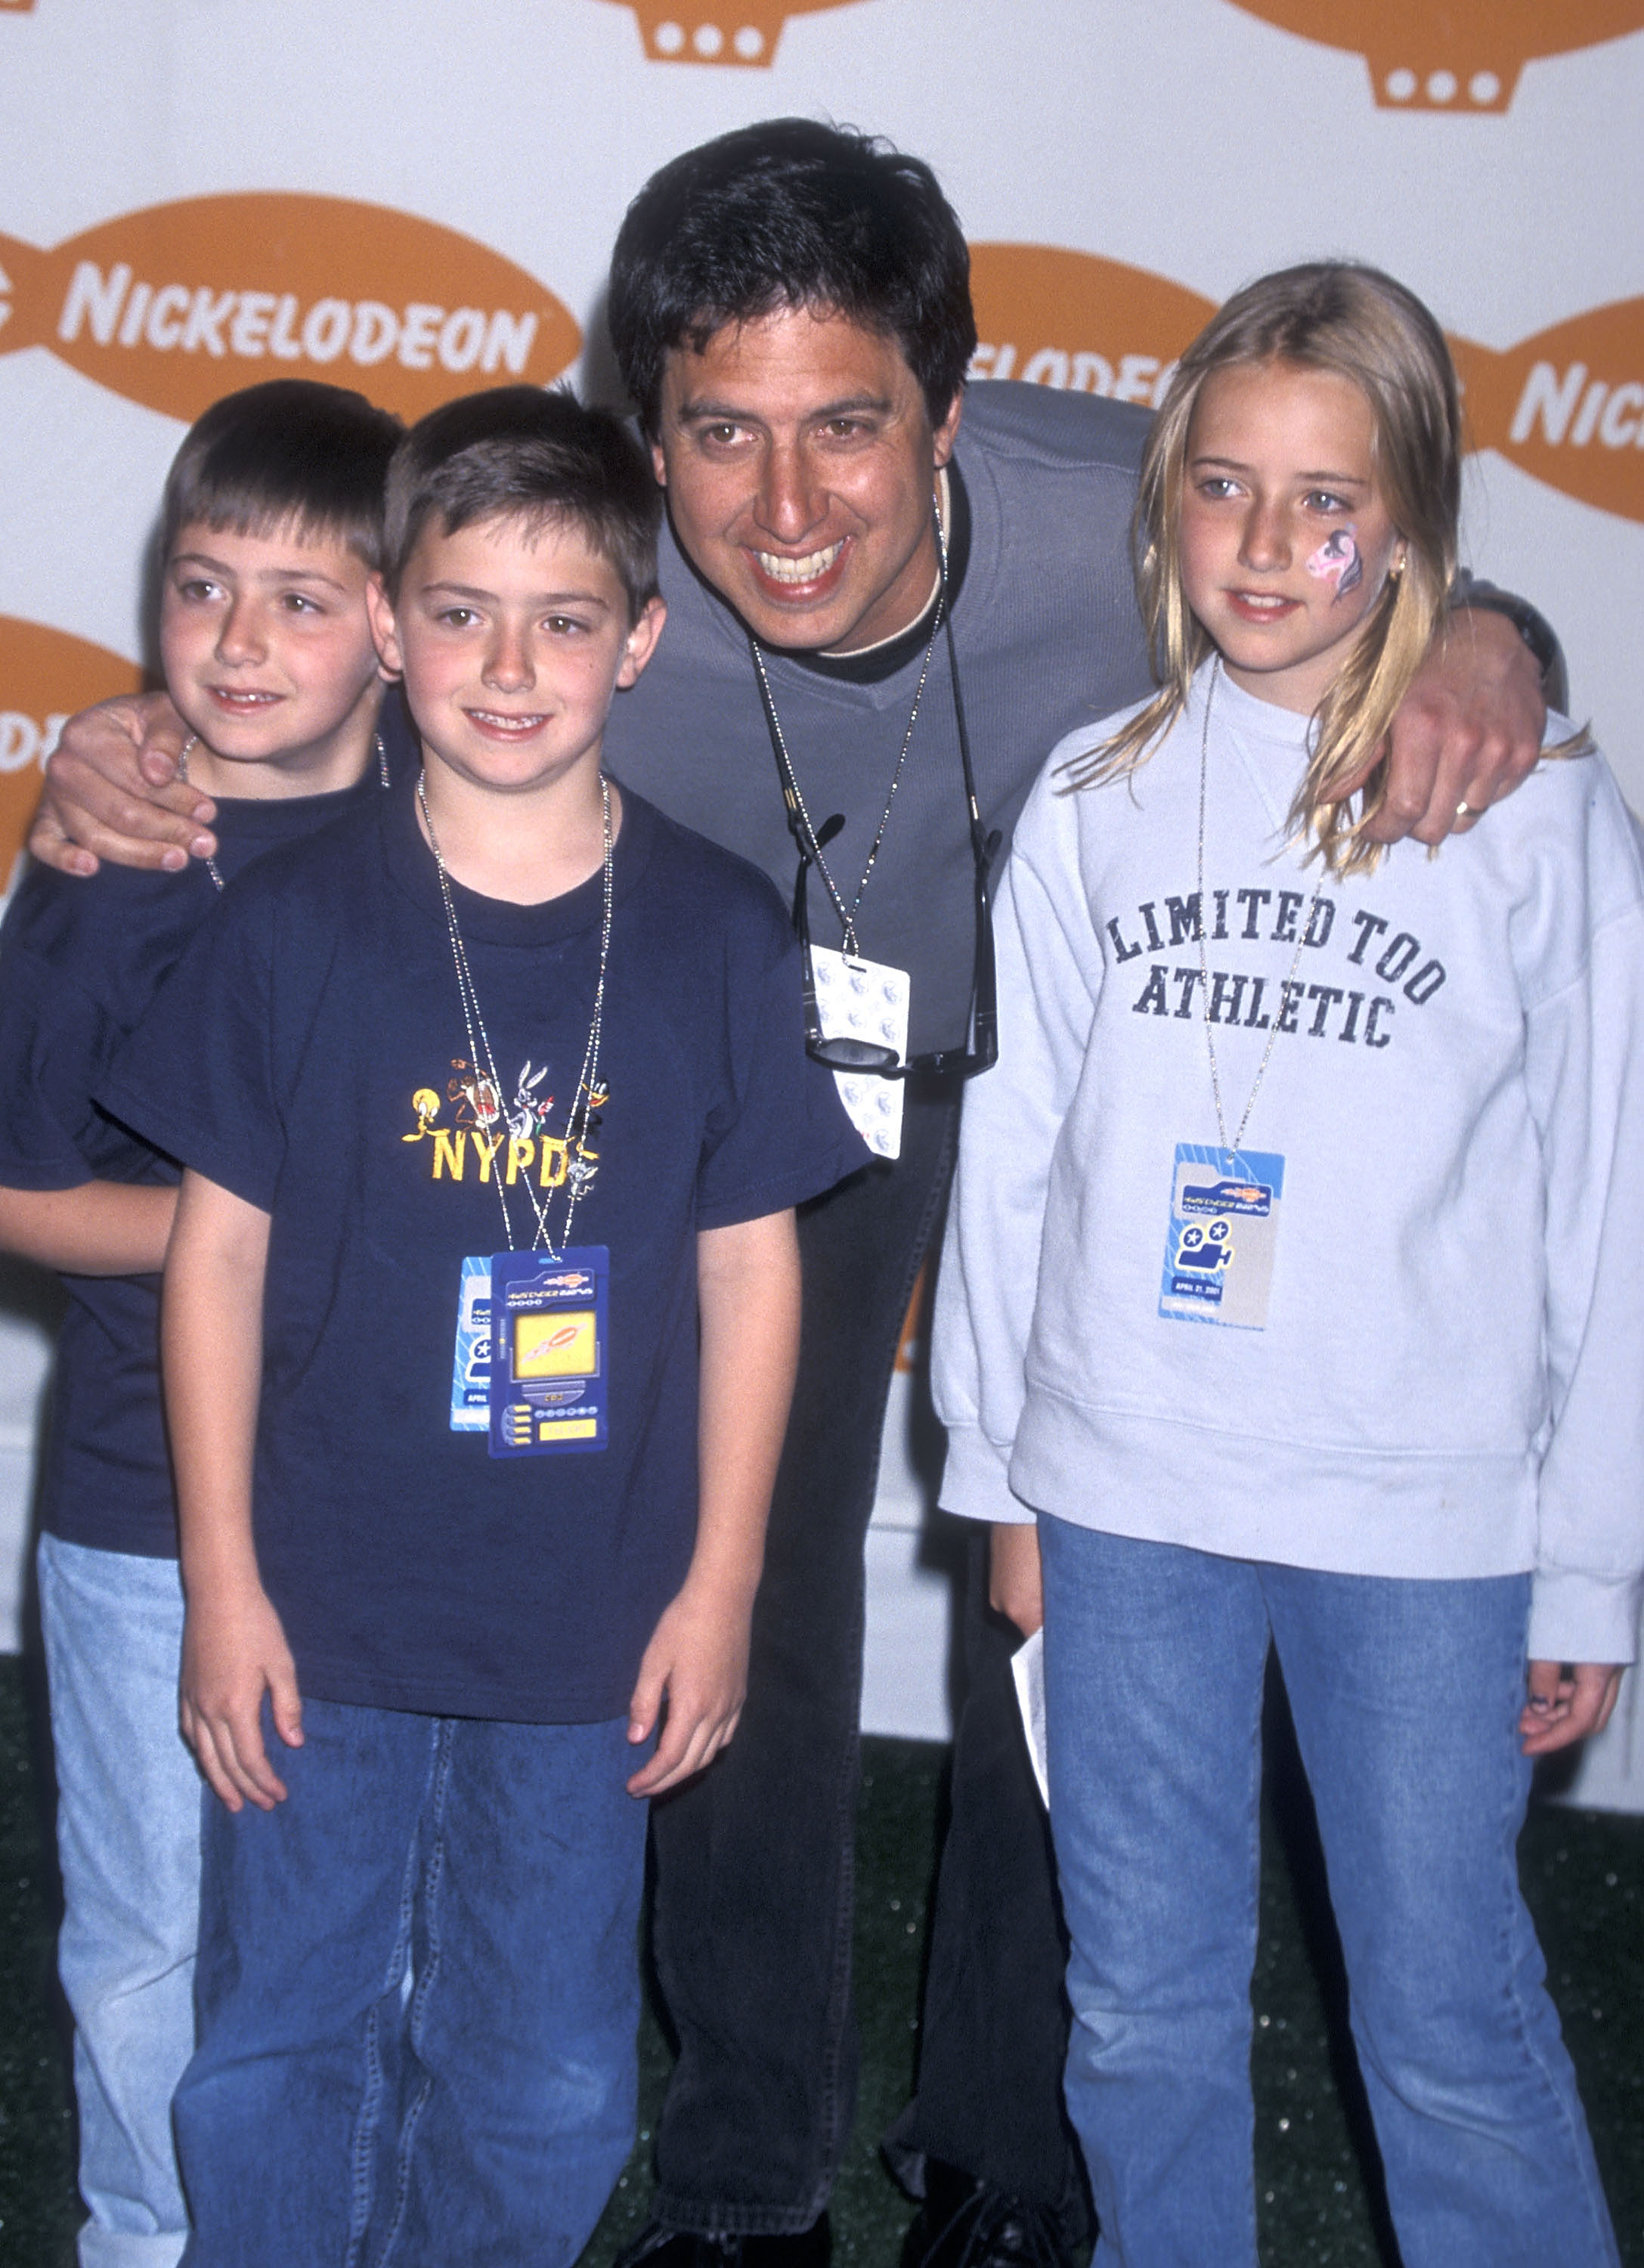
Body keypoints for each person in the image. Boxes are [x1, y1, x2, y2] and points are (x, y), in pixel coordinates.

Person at [32, 123, 1560, 2268]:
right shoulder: (590, 584)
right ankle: (751, 2177)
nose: (783, 510)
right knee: (734, 1574)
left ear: (950, 402)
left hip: (1098, 1072)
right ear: (639, 438)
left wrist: (1494, 633)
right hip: (753, 1071)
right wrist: (127, 747)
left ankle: (1009, 2158)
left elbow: (1334, 513)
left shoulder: (1096, 512)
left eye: (848, 428)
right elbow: (319, 635)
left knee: (1072, 1571)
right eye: (716, 441)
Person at [94, 384, 863, 2265]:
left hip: (590, 1624)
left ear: (643, 636)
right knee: (279, 2038)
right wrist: (220, 1584)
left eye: (565, 620)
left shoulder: (717, 934)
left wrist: (719, 1586)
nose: (507, 667)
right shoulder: (293, 929)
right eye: (457, 612)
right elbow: (211, 1261)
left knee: (544, 2072)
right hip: (315, 1610)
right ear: (387, 625)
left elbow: (753, 1267)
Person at [931, 261, 1637, 2267]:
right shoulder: (1092, 804)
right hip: (1131, 1493)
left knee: (1445, 2018)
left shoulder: (1546, 824)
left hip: (1422, 1525)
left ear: (1412, 519)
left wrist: (1584, 1559)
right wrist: (1004, 1478)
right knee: (1140, 2006)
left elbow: (1610, 1209)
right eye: (1222, 486)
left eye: (1324, 499)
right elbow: (1020, 1163)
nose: (1266, 545)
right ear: (1166, 500)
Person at [0, 376, 401, 2268]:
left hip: (394, 1526)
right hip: (139, 1507)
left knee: (354, 1944)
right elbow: (12, 1188)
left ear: (398, 626)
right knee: (147, 1930)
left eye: (303, 599)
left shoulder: (464, 849)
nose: (239, 644)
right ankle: (145, 2240)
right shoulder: (107, 871)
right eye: (202, 587)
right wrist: (249, 1226)